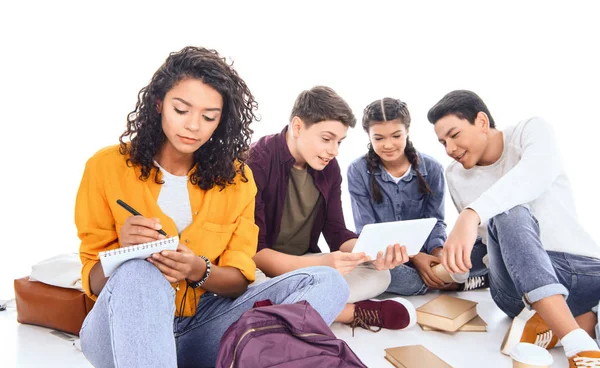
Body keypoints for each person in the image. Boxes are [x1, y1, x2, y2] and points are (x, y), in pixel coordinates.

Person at [76, 47, 350, 368]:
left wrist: (197, 270)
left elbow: (239, 279)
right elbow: (92, 281)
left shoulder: (236, 179)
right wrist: (124, 249)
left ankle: (241, 355)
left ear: (222, 121)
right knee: (139, 271)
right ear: (159, 104)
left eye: (209, 117)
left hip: (201, 327)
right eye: (182, 110)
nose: (194, 126)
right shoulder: (105, 167)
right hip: (121, 329)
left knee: (327, 282)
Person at [428, 90, 600, 364]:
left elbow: (535, 175)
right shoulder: (456, 175)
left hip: (581, 270)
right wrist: (453, 266)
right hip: (516, 289)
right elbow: (486, 243)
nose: (449, 149)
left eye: (455, 134)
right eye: (442, 142)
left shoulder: (530, 131)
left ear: (481, 122)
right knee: (507, 214)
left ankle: (564, 324)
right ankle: (577, 342)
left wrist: (471, 213)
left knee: (507, 207)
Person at [248, 86, 416, 334]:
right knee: (248, 284)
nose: (334, 151)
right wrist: (327, 264)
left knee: (381, 275)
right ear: (297, 127)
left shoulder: (329, 168)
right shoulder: (257, 161)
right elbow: (256, 252)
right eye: (326, 139)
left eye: (339, 142)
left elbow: (336, 232)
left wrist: (371, 252)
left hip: (306, 265)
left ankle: (294, 307)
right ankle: (347, 312)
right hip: (263, 267)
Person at [347, 98, 489, 297]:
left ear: (407, 131)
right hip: (387, 259)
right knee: (387, 274)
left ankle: (440, 276)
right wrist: (415, 258)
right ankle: (453, 282)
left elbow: (436, 221)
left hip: (427, 253)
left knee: (482, 248)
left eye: (396, 135)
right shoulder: (358, 171)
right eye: (379, 138)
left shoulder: (432, 168)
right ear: (369, 137)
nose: (388, 145)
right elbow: (366, 231)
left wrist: (439, 253)